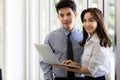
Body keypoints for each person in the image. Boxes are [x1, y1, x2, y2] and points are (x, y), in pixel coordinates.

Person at [53, 8, 112, 80]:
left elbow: (90, 71)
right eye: (84, 21)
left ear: (98, 21)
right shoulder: (90, 40)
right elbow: (89, 66)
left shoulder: (99, 43)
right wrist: (74, 65)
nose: (86, 24)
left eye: (91, 20)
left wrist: (68, 68)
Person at [40, 0, 84, 80]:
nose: (65, 18)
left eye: (69, 14)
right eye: (62, 15)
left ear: (75, 15)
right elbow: (45, 62)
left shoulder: (85, 36)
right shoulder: (50, 37)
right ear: (58, 17)